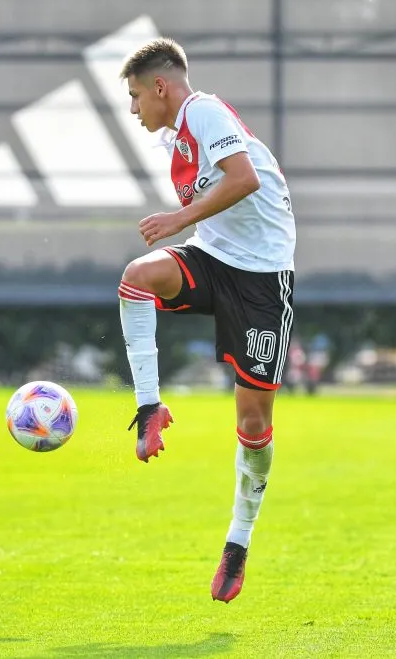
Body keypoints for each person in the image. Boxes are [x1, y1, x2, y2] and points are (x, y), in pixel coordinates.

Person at [116, 38, 296, 603]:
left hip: (263, 279)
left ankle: (238, 541)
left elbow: (246, 180)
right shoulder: (178, 138)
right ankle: (149, 407)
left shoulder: (205, 111)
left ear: (161, 87)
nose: (133, 107)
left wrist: (177, 219)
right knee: (136, 278)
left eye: (136, 95)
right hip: (213, 259)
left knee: (252, 425)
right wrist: (187, 228)